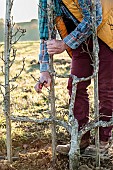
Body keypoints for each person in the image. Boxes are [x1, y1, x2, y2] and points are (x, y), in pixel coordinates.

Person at [35, 0, 113, 153]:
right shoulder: (45, 2)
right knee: (75, 86)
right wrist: (44, 71)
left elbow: (94, 17)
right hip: (79, 42)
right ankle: (81, 138)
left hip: (106, 34)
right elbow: (45, 36)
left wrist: (65, 44)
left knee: (106, 89)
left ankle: (103, 141)